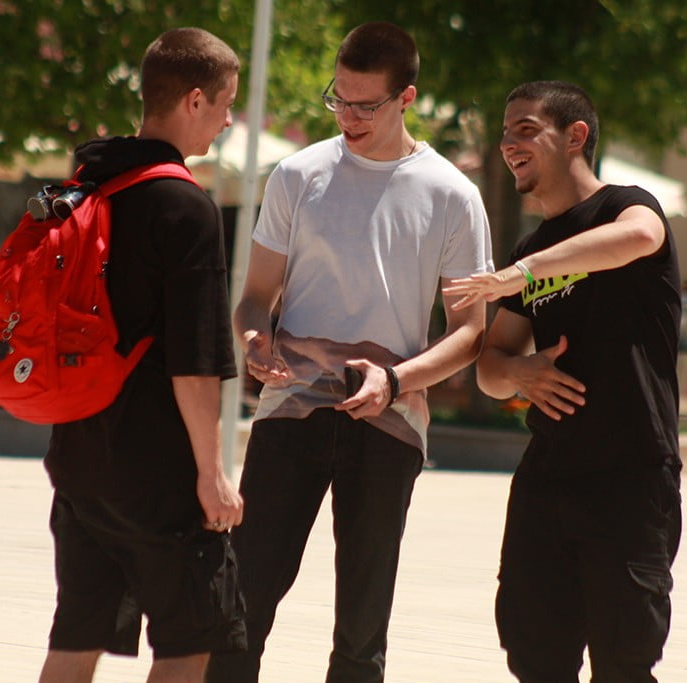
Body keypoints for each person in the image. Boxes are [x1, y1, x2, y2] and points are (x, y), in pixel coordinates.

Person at [205, 21, 493, 683]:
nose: (348, 117)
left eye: (366, 105)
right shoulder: (297, 175)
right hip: (291, 408)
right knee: (241, 604)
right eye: (339, 99)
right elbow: (254, 300)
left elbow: (469, 333)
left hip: (390, 417)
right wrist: (253, 341)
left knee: (362, 631)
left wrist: (395, 381)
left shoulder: (452, 194)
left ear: (406, 97)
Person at [444, 81, 683, 682]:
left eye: (526, 129)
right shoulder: (536, 244)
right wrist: (518, 372)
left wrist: (522, 273)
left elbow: (640, 238)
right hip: (547, 479)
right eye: (505, 132)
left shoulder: (626, 206)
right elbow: (492, 366)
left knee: (624, 663)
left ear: (576, 136)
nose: (508, 144)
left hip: (631, 474)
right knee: (535, 659)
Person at [37, 28, 246, 683]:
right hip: (158, 473)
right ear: (193, 100)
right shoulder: (186, 207)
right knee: (188, 643)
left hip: (78, 457)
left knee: (76, 638)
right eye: (224, 103)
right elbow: (194, 362)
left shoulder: (91, 185)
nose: (228, 119)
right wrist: (212, 474)